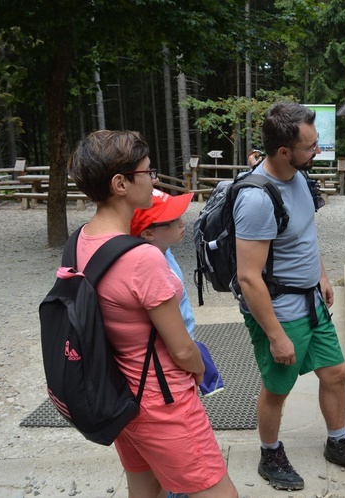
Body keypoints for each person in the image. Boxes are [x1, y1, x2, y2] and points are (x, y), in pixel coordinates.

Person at [68, 130, 237, 497]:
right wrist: (200, 369)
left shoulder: (81, 241)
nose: (154, 178)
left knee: (144, 489)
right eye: (147, 172)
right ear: (120, 184)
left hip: (117, 396)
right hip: (162, 401)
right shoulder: (142, 258)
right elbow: (181, 349)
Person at [234, 102, 345, 491]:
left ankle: (337, 443)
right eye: (311, 146)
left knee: (335, 372)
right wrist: (277, 335)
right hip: (281, 312)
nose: (318, 150)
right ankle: (270, 454)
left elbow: (303, 237)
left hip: (310, 301)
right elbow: (248, 277)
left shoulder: (298, 176)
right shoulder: (257, 200)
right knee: (277, 389)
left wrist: (321, 275)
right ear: (284, 151)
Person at [130, 189, 224, 397]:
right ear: (148, 233)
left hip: (183, 346)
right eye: (172, 220)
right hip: (172, 358)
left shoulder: (163, 249)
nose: (182, 223)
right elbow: (176, 345)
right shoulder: (152, 267)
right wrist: (198, 368)